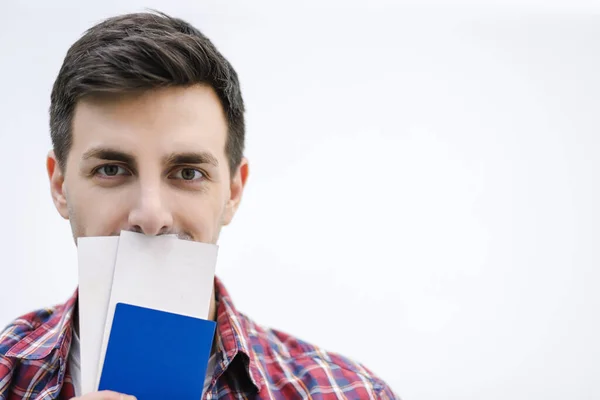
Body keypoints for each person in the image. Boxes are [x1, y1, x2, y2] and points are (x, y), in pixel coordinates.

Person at [0, 10, 398, 400]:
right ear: (59, 185)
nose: (151, 216)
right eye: (112, 168)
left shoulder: (350, 394)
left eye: (188, 173)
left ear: (233, 192)